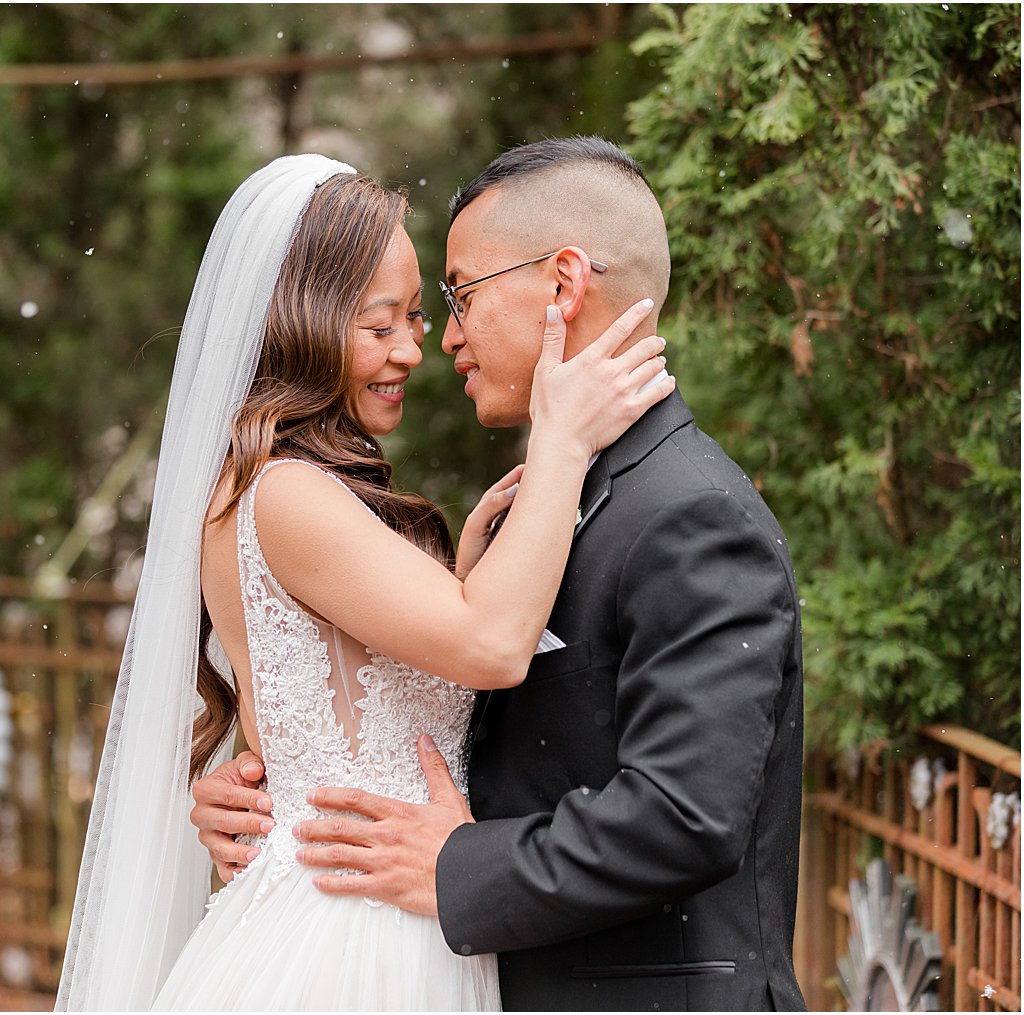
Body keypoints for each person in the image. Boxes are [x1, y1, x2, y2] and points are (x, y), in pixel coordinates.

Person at [191, 138, 807, 1012]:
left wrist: (457, 866)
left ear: (562, 286)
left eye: (457, 298)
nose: (439, 339)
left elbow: (685, 815)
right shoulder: (545, 502)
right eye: (390, 320)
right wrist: (273, 788)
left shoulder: (686, 512)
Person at [57, 152, 672, 1011]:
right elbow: (491, 646)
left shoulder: (296, 490)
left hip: (392, 912)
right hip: (347, 939)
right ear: (302, 319)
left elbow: (369, 684)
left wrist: (460, 575)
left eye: (418, 318)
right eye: (379, 325)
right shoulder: (284, 492)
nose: (414, 350)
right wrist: (561, 441)